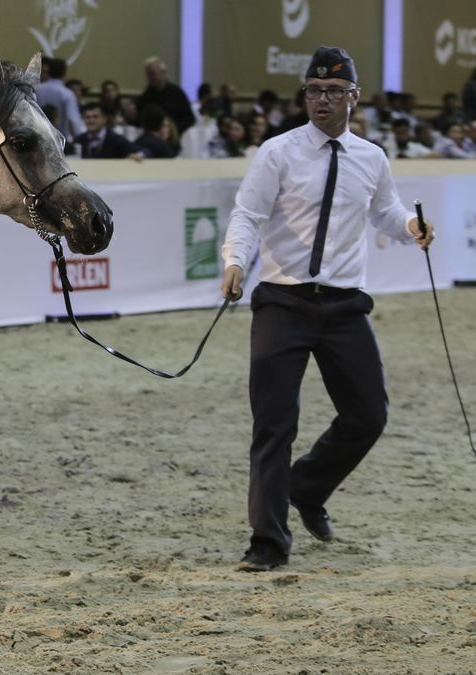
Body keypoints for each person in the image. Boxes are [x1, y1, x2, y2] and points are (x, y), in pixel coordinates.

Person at [220, 46, 434, 573]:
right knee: (274, 425)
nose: (322, 100)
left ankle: (307, 487)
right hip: (283, 301)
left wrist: (411, 227)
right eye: (314, 91)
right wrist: (235, 261)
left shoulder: (372, 158)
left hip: (344, 306)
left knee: (369, 415)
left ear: (354, 97)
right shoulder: (277, 152)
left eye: (334, 92)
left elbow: (385, 211)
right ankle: (268, 542)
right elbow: (247, 214)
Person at [137, 56, 194, 134]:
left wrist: (172, 129)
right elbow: (140, 118)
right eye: (148, 74)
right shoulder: (147, 94)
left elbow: (190, 119)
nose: (150, 78)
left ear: (163, 73)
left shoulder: (177, 93)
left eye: (153, 74)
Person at [35, 58, 84, 149]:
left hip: (37, 136)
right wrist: (80, 139)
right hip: (60, 141)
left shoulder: (36, 89)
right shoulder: (67, 94)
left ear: (49, 71)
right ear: (64, 73)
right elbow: (73, 120)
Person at [74, 103, 142, 160]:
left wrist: (137, 155)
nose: (91, 120)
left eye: (95, 117)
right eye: (87, 117)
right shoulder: (78, 140)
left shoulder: (116, 139)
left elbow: (142, 152)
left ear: (105, 119)